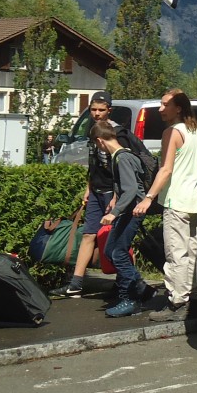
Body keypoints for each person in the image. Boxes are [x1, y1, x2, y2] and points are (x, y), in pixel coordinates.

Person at [50, 91, 139, 299]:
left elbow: (124, 168)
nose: (97, 114)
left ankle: (124, 283)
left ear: (109, 109)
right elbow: (94, 164)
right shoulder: (94, 131)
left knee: (117, 239)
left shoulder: (119, 133)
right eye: (93, 110)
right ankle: (76, 284)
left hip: (113, 193)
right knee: (89, 235)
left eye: (101, 110)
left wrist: (118, 196)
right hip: (97, 191)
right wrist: (89, 187)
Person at [135, 89, 197, 322]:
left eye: (165, 105)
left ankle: (177, 302)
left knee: (176, 254)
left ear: (178, 108)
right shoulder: (195, 131)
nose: (161, 109)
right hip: (195, 200)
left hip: (176, 200)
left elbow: (166, 169)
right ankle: (192, 297)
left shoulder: (172, 132)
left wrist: (148, 197)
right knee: (192, 252)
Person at [93, 119, 157, 317]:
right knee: (111, 250)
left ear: (100, 141)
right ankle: (141, 289)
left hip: (133, 212)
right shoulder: (120, 156)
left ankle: (130, 299)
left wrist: (114, 212)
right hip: (128, 210)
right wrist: (115, 199)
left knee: (118, 253)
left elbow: (130, 190)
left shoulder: (122, 158)